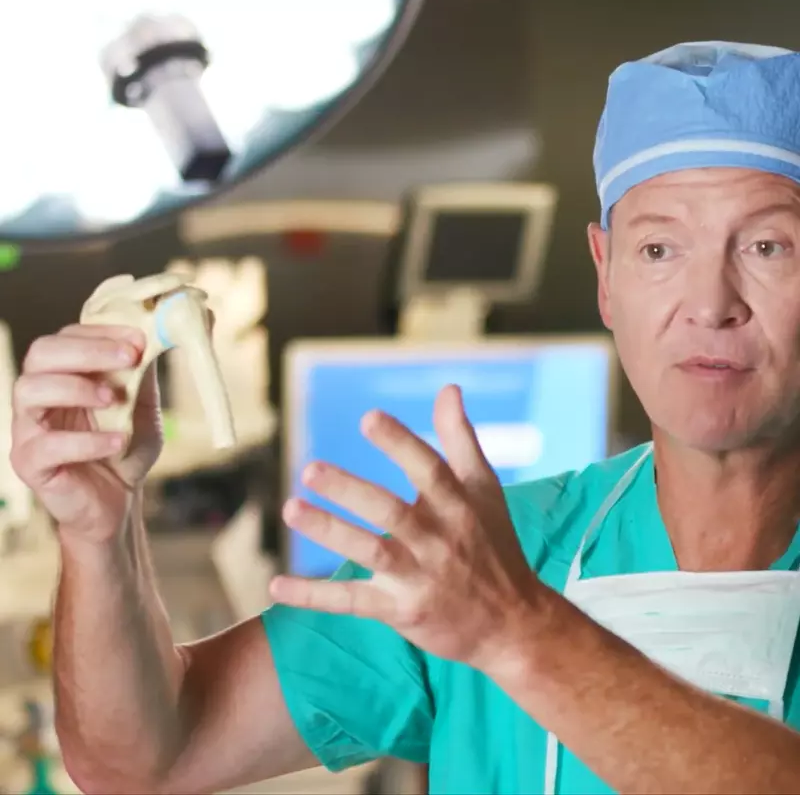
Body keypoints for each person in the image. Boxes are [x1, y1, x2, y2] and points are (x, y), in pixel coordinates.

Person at [10, 39, 800, 795]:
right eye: (660, 251)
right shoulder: (496, 554)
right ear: (606, 276)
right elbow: (147, 758)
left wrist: (522, 636)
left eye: (768, 247)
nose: (710, 305)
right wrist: (99, 530)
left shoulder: (496, 595)